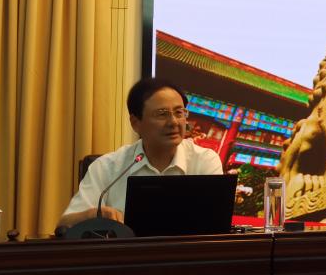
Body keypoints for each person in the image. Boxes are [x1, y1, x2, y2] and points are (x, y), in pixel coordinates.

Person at [58, 77, 223, 228]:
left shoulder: (205, 161)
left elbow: (217, 224)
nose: (173, 122)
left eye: (179, 113)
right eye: (162, 114)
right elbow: (64, 225)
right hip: (125, 251)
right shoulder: (107, 167)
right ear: (136, 123)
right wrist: (93, 215)